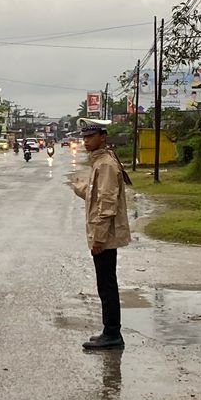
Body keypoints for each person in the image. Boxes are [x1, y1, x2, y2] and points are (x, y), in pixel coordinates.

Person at [68, 118, 131, 351]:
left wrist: (99, 238)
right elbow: (97, 195)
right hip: (103, 234)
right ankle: (109, 331)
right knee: (105, 282)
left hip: (104, 235)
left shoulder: (105, 164)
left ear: (102, 137)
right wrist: (79, 187)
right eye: (84, 137)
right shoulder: (102, 161)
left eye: (90, 137)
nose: (86, 141)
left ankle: (113, 333)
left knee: (106, 284)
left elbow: (106, 205)